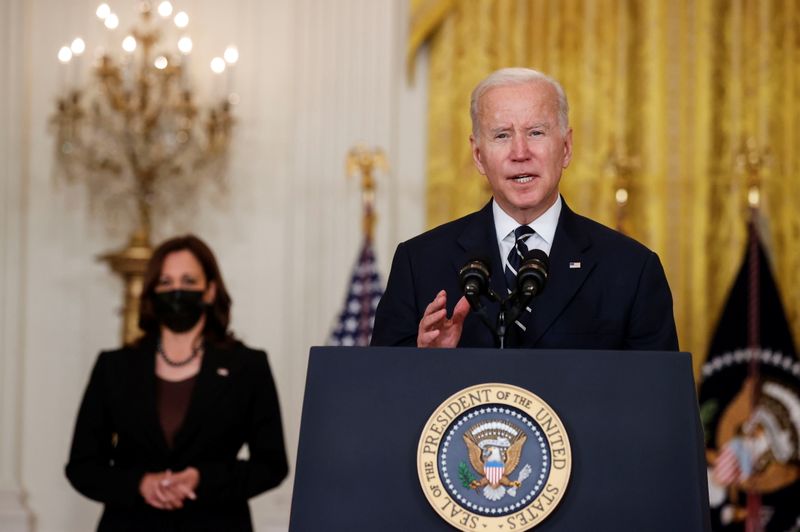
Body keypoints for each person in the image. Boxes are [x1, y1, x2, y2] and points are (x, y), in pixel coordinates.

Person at [371, 67, 678, 350]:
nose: (520, 152)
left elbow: (657, 401)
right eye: (502, 135)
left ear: (566, 148)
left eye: (536, 133)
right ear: (478, 155)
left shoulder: (632, 270)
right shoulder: (419, 263)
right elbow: (379, 394)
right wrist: (422, 364)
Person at [66, 235, 288, 531]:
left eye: (188, 281)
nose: (177, 291)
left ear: (209, 290)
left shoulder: (248, 366)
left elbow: (271, 465)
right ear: (152, 292)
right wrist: (140, 484)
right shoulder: (115, 367)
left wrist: (202, 479)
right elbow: (83, 466)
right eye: (166, 283)